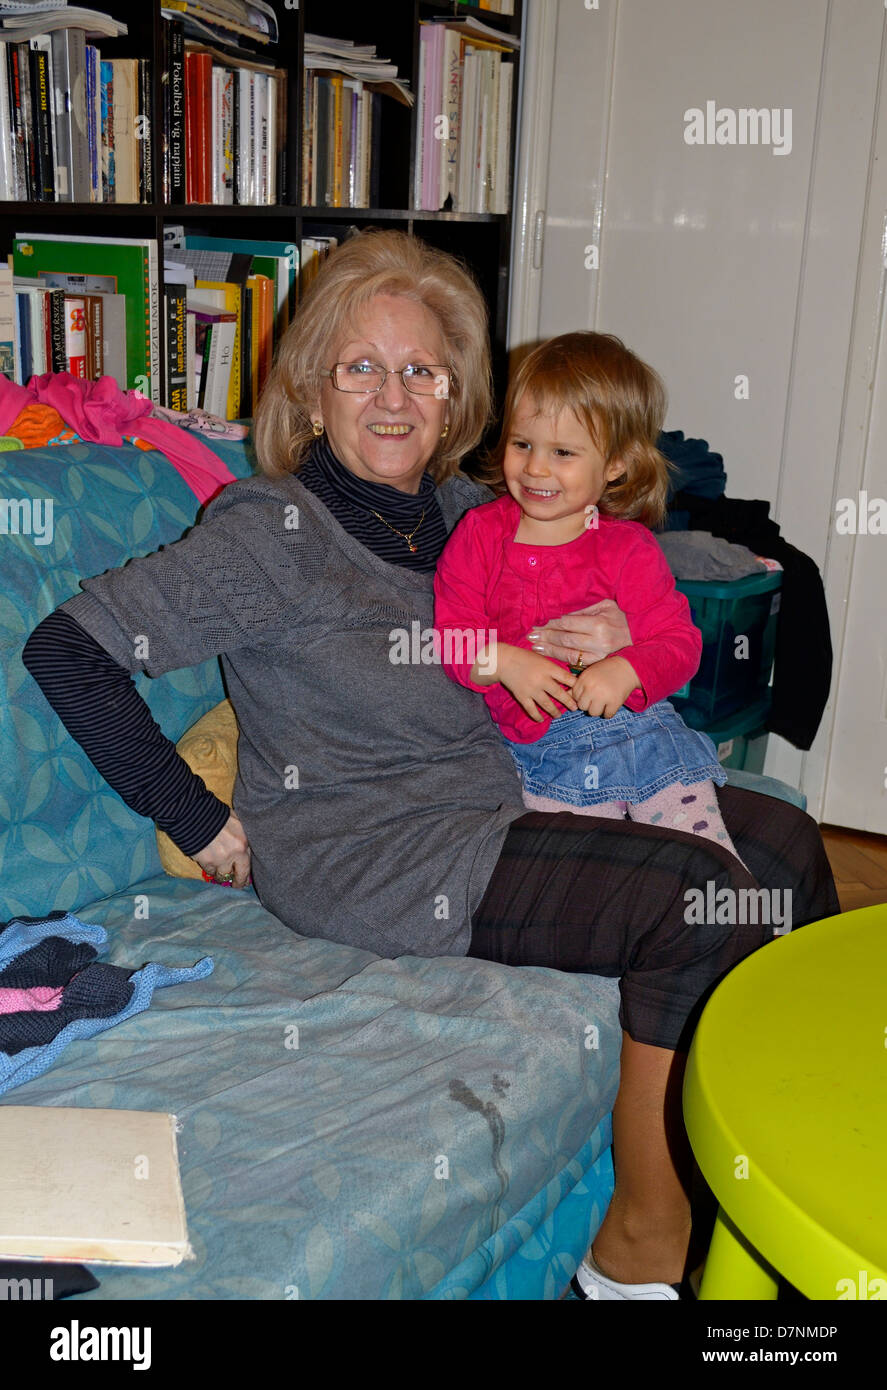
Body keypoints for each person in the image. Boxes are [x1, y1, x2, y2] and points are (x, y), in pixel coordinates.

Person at [22, 229, 839, 1301]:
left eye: (422, 370)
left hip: (507, 798)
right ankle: (640, 1244)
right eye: (361, 367)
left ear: (455, 400)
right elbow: (69, 651)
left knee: (777, 840)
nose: (394, 396)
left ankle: (803, 1154)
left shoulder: (464, 515)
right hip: (375, 851)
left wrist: (622, 627)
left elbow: (604, 565)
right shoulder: (271, 533)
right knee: (689, 899)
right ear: (313, 391)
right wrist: (194, 817)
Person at [434, 331, 744, 865]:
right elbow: (451, 636)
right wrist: (504, 661)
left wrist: (627, 668)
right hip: (534, 752)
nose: (535, 468)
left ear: (617, 463)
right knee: (588, 874)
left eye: (563, 453)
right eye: (522, 443)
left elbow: (679, 644)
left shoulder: (629, 548)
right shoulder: (480, 534)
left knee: (704, 863)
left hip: (637, 735)